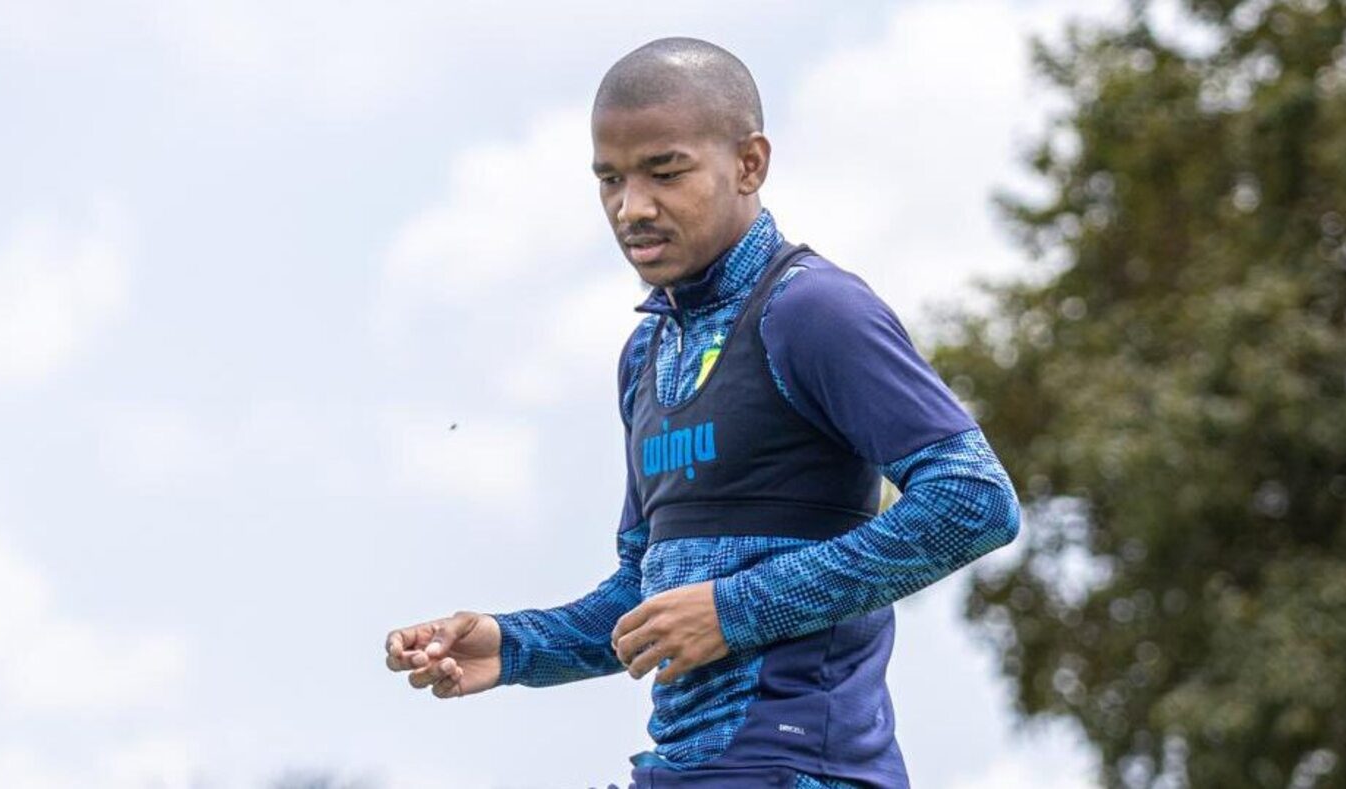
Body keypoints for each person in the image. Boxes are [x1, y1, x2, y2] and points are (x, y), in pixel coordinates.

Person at [383, 36, 1022, 789]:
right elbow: (645, 600)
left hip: (800, 768)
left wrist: (736, 607)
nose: (633, 207)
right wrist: (514, 646)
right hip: (687, 769)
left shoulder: (815, 310)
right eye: (610, 180)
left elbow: (974, 500)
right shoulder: (646, 354)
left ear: (749, 163)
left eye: (665, 171)